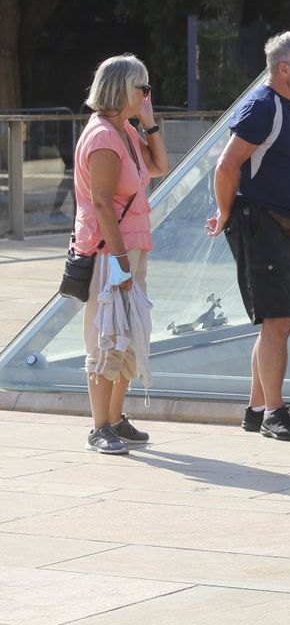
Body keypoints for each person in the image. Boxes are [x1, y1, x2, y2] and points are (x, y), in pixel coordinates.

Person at [205, 32, 290, 442]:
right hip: (261, 225)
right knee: (276, 320)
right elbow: (226, 164)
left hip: (279, 225)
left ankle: (257, 409)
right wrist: (225, 213)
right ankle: (274, 412)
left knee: (279, 321)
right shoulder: (264, 105)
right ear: (284, 69)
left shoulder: (285, 106)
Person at [74, 54, 168, 454]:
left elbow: (160, 166)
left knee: (129, 333)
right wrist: (120, 261)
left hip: (131, 248)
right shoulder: (102, 138)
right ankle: (100, 427)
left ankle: (116, 417)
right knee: (105, 335)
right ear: (120, 90)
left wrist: (148, 124)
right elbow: (101, 204)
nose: (147, 95)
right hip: (109, 252)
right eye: (141, 89)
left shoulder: (126, 131)